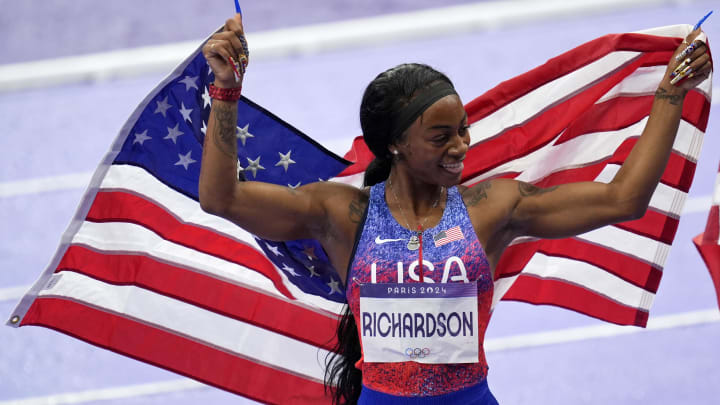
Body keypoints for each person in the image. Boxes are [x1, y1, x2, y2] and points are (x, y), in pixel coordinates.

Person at [198, 14, 712, 405]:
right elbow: (222, 198)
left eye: (463, 129)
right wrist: (226, 91)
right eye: (441, 136)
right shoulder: (342, 214)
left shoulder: (493, 207)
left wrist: (670, 96)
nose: (462, 146)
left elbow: (624, 200)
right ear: (395, 144)